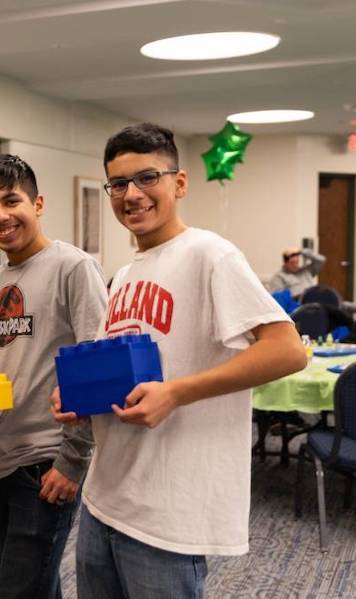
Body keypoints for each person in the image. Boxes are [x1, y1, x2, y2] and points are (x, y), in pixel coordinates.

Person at [52, 124, 307, 599]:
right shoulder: (125, 274)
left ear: (180, 183)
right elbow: (125, 367)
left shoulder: (210, 254)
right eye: (119, 184)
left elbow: (287, 349)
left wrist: (176, 393)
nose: (132, 194)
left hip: (168, 514)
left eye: (147, 177)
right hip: (104, 497)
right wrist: (78, 393)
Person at [0, 154, 108, 598]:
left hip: (44, 464)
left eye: (11, 201)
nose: (0, 216)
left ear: (38, 203)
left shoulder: (73, 267)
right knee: (35, 586)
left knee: (17, 591)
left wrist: (72, 461)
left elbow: (95, 366)